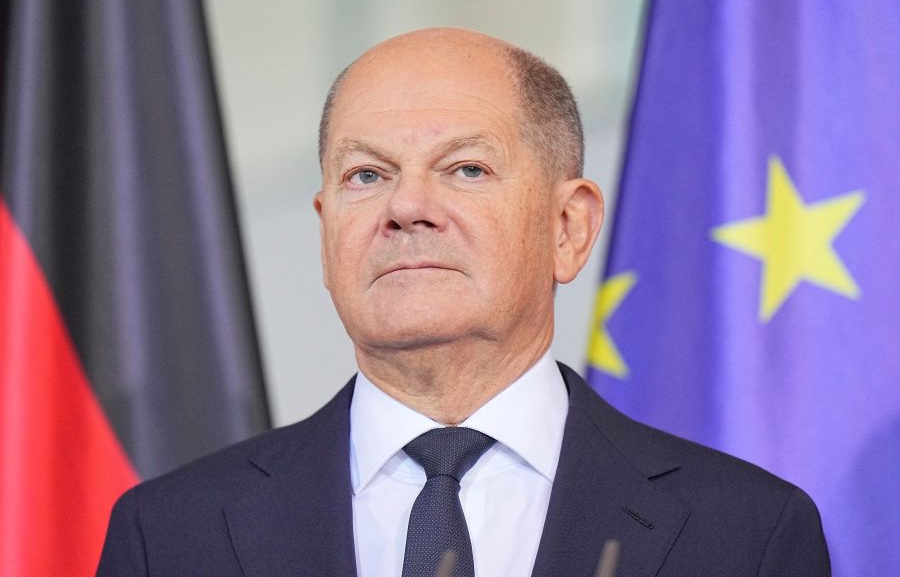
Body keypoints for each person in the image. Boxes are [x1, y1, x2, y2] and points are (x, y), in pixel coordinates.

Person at [97, 28, 830, 576]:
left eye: (467, 168)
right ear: (326, 236)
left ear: (568, 227)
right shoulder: (170, 535)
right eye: (366, 175)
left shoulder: (745, 532)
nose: (407, 206)